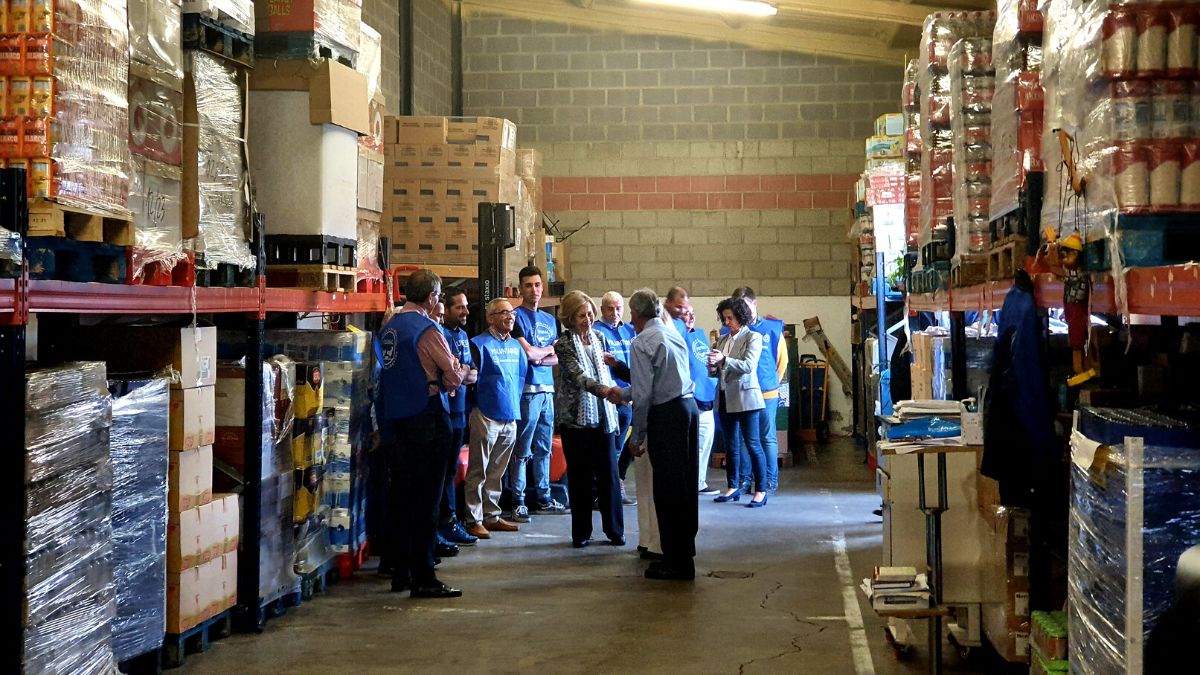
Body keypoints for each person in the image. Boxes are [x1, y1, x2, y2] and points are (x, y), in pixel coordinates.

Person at [377, 270, 469, 598]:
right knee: (427, 501)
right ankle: (424, 576)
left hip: (397, 418)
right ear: (431, 297)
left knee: (401, 497)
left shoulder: (389, 327)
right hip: (427, 419)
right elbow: (453, 376)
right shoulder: (428, 329)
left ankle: (399, 570)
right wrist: (458, 373)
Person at [608, 288, 699, 581]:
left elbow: (645, 395)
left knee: (668, 491)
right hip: (688, 409)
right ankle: (685, 555)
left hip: (668, 415)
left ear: (635, 314)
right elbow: (654, 384)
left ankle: (675, 562)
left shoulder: (641, 341)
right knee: (684, 488)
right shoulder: (673, 333)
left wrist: (636, 438)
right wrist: (622, 393)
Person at [554, 291, 625, 548]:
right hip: (576, 420)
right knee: (580, 477)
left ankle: (615, 529)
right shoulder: (563, 344)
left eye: (590, 313)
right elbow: (579, 376)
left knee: (609, 473)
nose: (588, 319)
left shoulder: (600, 337)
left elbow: (607, 369)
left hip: (604, 418)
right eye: (582, 315)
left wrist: (616, 371)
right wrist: (606, 391)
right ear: (570, 318)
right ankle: (581, 531)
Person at [463, 298, 528, 538]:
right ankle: (474, 518)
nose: (510, 317)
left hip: (510, 415)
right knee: (478, 471)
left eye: (511, 312)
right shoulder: (478, 345)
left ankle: (491, 515)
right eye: (503, 313)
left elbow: (520, 377)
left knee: (497, 472)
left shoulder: (517, 347)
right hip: (485, 414)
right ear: (491, 318)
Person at [509, 266, 568, 521]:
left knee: (544, 447)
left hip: (547, 390)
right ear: (521, 288)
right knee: (523, 448)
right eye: (528, 285)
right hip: (527, 391)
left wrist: (539, 354)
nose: (534, 290)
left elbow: (558, 357)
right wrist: (545, 351)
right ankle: (518, 499)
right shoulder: (515, 318)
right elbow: (528, 354)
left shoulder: (551, 320)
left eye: (537, 284)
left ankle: (543, 496)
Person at [709, 297, 769, 508]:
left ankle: (761, 489)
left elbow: (748, 366)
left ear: (741, 317)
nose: (726, 323)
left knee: (753, 444)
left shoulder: (753, 337)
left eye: (729, 318)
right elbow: (719, 372)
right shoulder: (723, 341)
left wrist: (723, 361)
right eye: (723, 318)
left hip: (747, 399)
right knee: (731, 446)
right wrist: (712, 368)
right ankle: (732, 486)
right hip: (725, 398)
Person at [730, 286, 787, 493]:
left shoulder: (771, 329)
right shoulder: (732, 331)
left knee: (767, 437)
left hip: (766, 393)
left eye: (744, 306)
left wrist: (770, 383)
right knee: (744, 438)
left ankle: (770, 481)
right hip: (742, 394)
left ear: (754, 303)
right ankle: (745, 480)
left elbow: (782, 361)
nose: (741, 312)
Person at [437, 289, 479, 547]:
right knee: (442, 471)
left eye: (466, 306)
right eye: (459, 308)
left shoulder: (463, 336)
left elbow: (472, 374)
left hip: (460, 412)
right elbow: (448, 374)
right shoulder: (438, 335)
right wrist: (460, 372)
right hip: (444, 412)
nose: (465, 311)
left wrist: (460, 372)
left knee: (451, 470)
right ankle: (444, 523)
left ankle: (450, 520)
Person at [592, 291, 637, 506]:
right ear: (602, 310)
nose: (615, 312)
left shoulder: (630, 331)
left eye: (618, 308)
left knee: (628, 446)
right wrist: (618, 395)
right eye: (610, 308)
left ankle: (617, 483)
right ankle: (603, 491)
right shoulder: (596, 332)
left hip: (633, 396)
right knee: (611, 447)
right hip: (612, 398)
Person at [681, 304, 720, 496]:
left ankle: (699, 482)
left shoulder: (700, 335)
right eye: (685, 314)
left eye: (692, 314)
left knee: (704, 443)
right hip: (687, 400)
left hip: (707, 399)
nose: (690, 318)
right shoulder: (675, 338)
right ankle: (685, 483)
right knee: (686, 446)